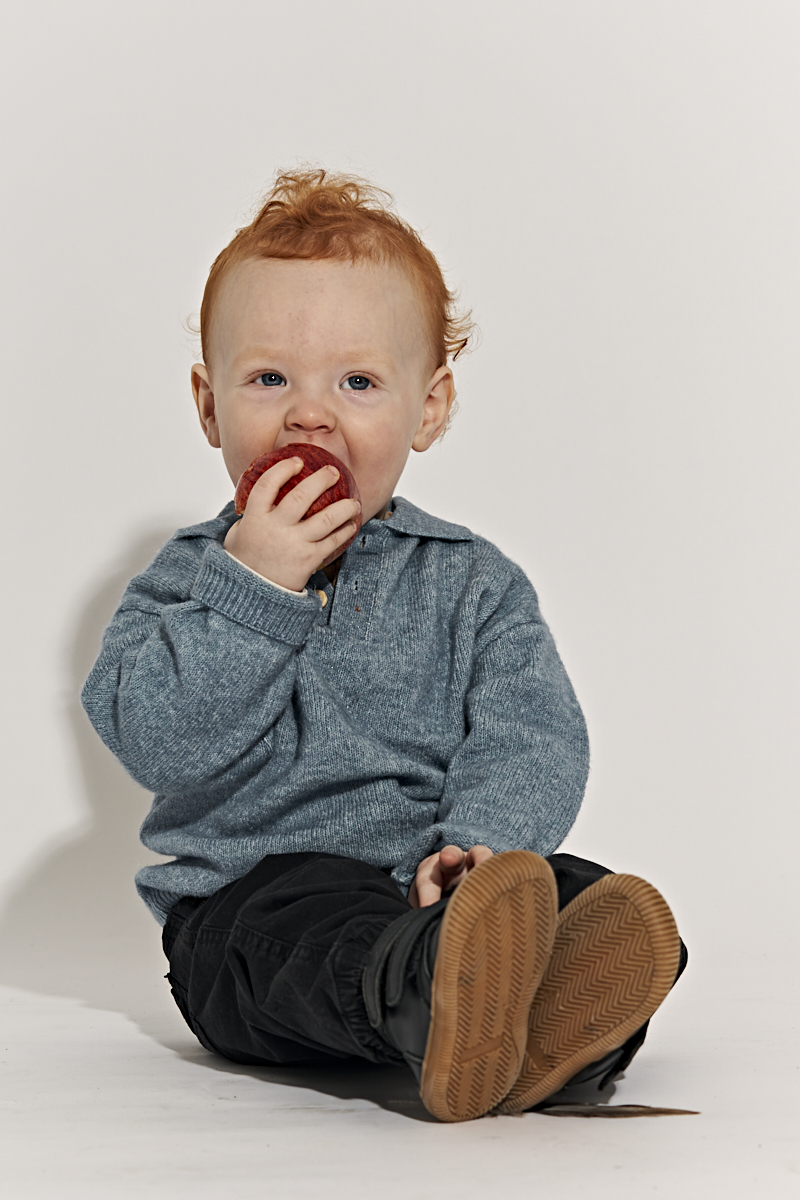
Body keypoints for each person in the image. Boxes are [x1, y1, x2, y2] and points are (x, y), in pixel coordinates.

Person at [81, 169, 686, 1123]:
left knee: (584, 896)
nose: (309, 414)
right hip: (248, 908)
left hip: (432, 889)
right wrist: (255, 587)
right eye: (269, 379)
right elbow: (154, 741)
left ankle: (536, 1023)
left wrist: (476, 852)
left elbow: (532, 736)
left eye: (357, 382)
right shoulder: (193, 578)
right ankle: (435, 995)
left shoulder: (472, 583)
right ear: (209, 405)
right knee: (285, 931)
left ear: (429, 409)